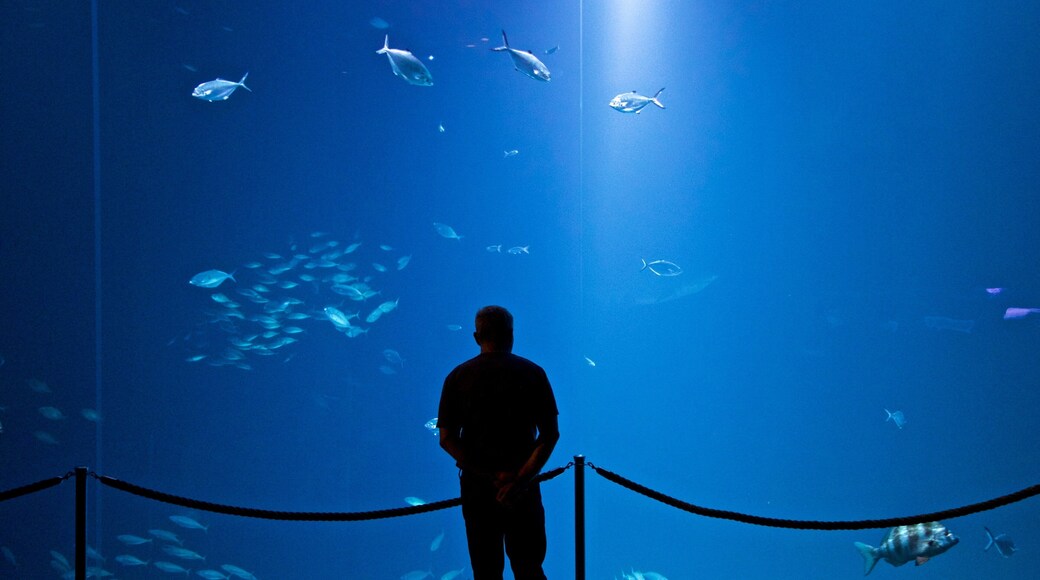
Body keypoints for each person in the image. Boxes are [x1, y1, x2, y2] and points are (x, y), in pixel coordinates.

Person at [438, 305, 560, 580]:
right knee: (529, 568)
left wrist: (490, 475)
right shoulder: (533, 373)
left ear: (476, 337)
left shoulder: (457, 377)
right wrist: (518, 479)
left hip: (478, 491)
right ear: (511, 335)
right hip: (524, 490)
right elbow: (550, 434)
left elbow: (447, 439)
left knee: (486, 571)